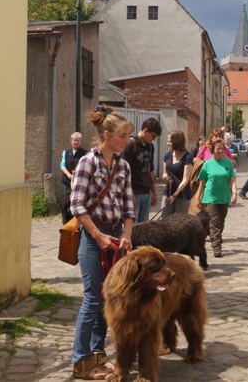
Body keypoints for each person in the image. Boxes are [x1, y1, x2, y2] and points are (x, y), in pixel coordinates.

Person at [70, 105, 135, 379]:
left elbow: (129, 205)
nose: (126, 140)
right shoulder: (88, 162)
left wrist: (127, 234)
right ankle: (80, 361)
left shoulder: (123, 165)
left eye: (128, 135)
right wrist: (97, 235)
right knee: (92, 297)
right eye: (122, 135)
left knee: (108, 296)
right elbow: (77, 204)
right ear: (107, 135)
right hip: (91, 236)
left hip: (116, 237)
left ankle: (98, 352)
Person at [195, 138, 238, 257]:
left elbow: (232, 180)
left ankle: (216, 237)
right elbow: (202, 183)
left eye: (222, 149)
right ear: (213, 150)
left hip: (224, 197)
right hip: (210, 198)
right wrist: (198, 197)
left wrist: (234, 193)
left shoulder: (228, 163)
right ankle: (216, 246)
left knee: (221, 222)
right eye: (217, 148)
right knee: (214, 222)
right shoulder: (207, 164)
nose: (220, 151)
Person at [122, 117, 161, 223]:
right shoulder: (130, 144)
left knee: (144, 230)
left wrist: (154, 192)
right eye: (153, 136)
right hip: (134, 193)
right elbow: (124, 172)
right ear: (145, 131)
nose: (154, 139)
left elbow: (150, 170)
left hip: (146, 193)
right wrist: (130, 193)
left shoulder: (150, 146)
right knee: (132, 229)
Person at [162, 129, 194, 217]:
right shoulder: (167, 155)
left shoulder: (187, 157)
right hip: (168, 191)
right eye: (168, 141)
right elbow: (164, 173)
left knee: (181, 222)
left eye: (170, 141)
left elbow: (185, 180)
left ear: (177, 141)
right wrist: (165, 177)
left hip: (182, 193)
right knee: (164, 220)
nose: (168, 143)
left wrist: (174, 195)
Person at [60, 131, 88, 224]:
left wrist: (78, 172)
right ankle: (66, 220)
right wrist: (68, 174)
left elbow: (86, 166)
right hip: (67, 183)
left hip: (79, 182)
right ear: (71, 141)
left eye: (78, 141)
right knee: (66, 201)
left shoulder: (85, 153)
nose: (76, 142)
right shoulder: (66, 152)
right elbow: (62, 165)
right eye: (74, 140)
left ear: (80, 142)